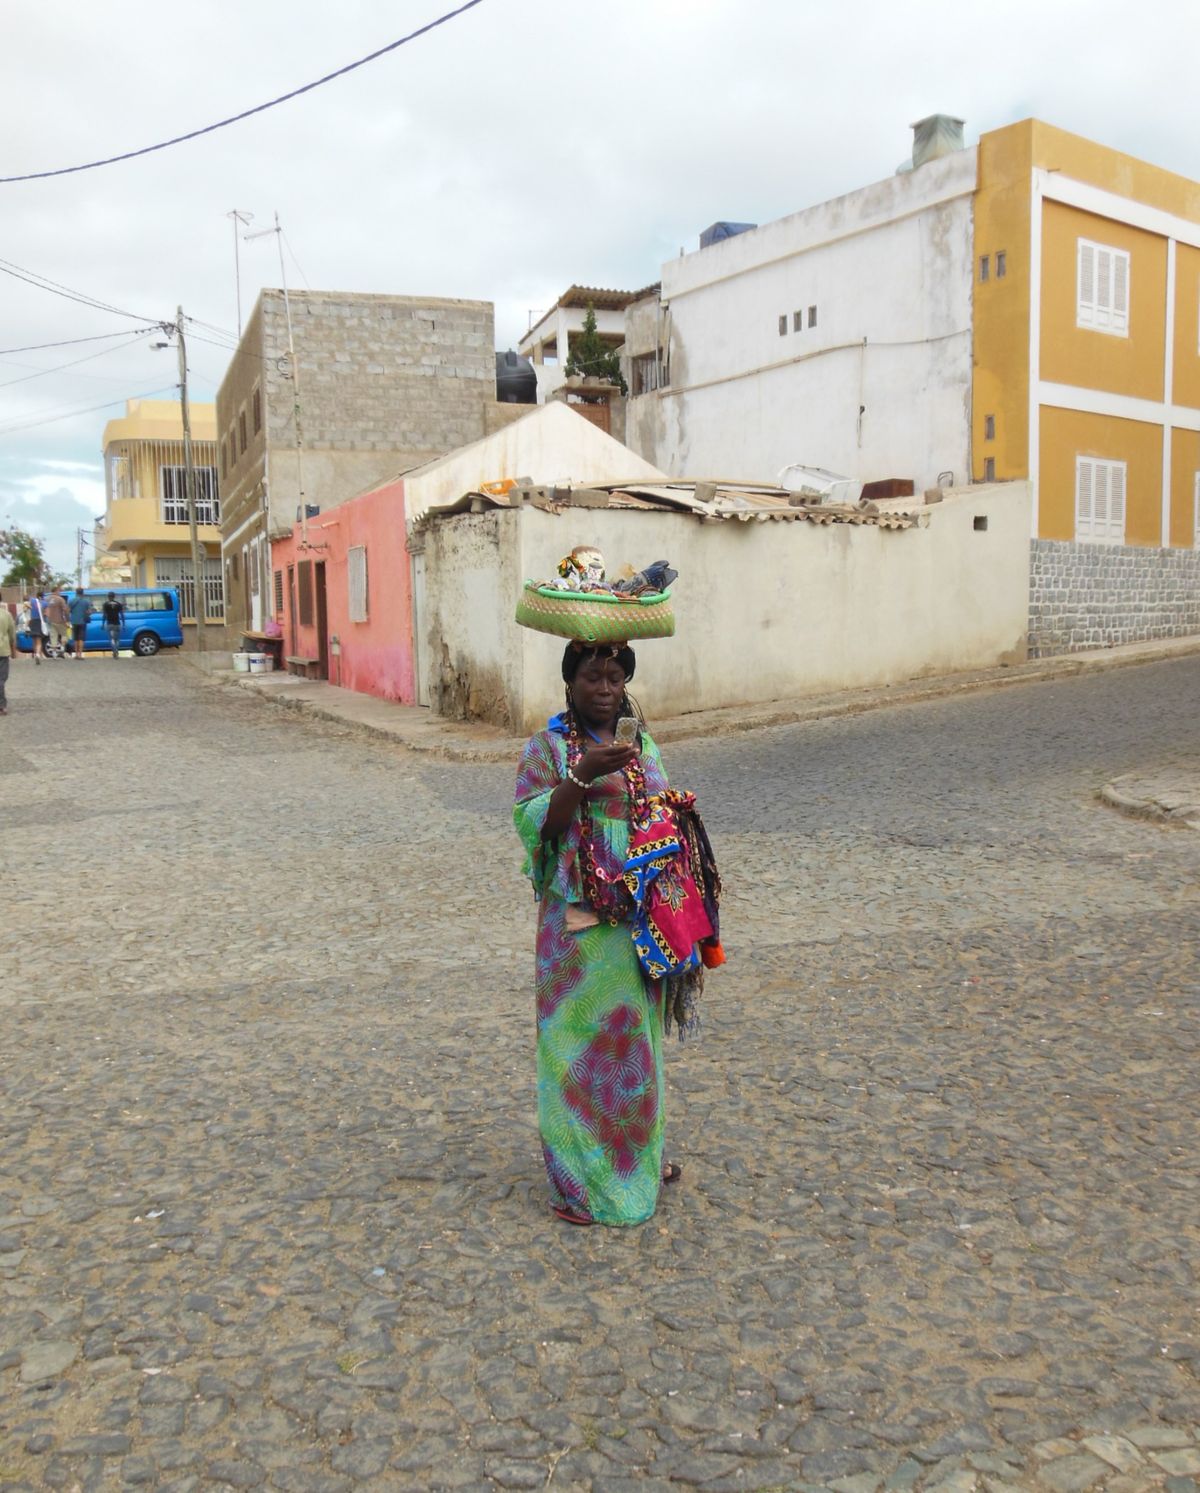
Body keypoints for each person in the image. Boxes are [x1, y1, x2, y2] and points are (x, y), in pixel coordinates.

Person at [513, 640, 721, 1227]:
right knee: (576, 1053)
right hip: (577, 936)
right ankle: (580, 1184)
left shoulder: (641, 743)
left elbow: (656, 813)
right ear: (569, 683)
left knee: (636, 1048)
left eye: (614, 676)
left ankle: (635, 1159)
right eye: (591, 677)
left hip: (637, 926)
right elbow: (537, 827)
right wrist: (579, 777)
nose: (604, 688)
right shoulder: (547, 748)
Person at [45, 586, 70, 658]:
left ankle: (54, 654)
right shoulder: (60, 599)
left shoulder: (46, 599)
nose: (60, 592)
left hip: (50, 621)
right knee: (64, 634)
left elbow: (43, 609)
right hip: (60, 620)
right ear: (56, 591)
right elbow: (65, 610)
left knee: (53, 636)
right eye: (59, 591)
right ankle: (62, 647)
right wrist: (67, 620)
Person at [0, 602, 16, 714]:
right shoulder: (6, 614)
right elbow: (12, 634)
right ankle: (2, 705)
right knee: (1, 678)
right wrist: (13, 649)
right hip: (3, 650)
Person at [69, 589, 93, 658]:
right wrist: (85, 613)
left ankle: (76, 654)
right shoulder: (86, 601)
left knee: (75, 638)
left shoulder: (71, 601)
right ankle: (80, 654)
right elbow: (90, 612)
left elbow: (68, 610)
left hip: (74, 621)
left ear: (76, 593)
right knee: (81, 639)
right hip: (82, 622)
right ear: (83, 593)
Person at [101, 592, 124, 658]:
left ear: (108, 597)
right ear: (114, 597)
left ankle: (114, 651)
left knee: (112, 639)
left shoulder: (105, 604)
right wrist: (124, 624)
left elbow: (104, 615)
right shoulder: (119, 604)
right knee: (117, 639)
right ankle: (116, 650)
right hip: (117, 624)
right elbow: (122, 615)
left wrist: (102, 624)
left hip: (109, 624)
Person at [27, 591, 47, 664]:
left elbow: (26, 606)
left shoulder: (32, 601)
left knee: (34, 640)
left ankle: (36, 654)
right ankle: (38, 655)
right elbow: (46, 613)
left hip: (32, 621)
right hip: (40, 622)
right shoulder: (45, 603)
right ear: (43, 596)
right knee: (39, 641)